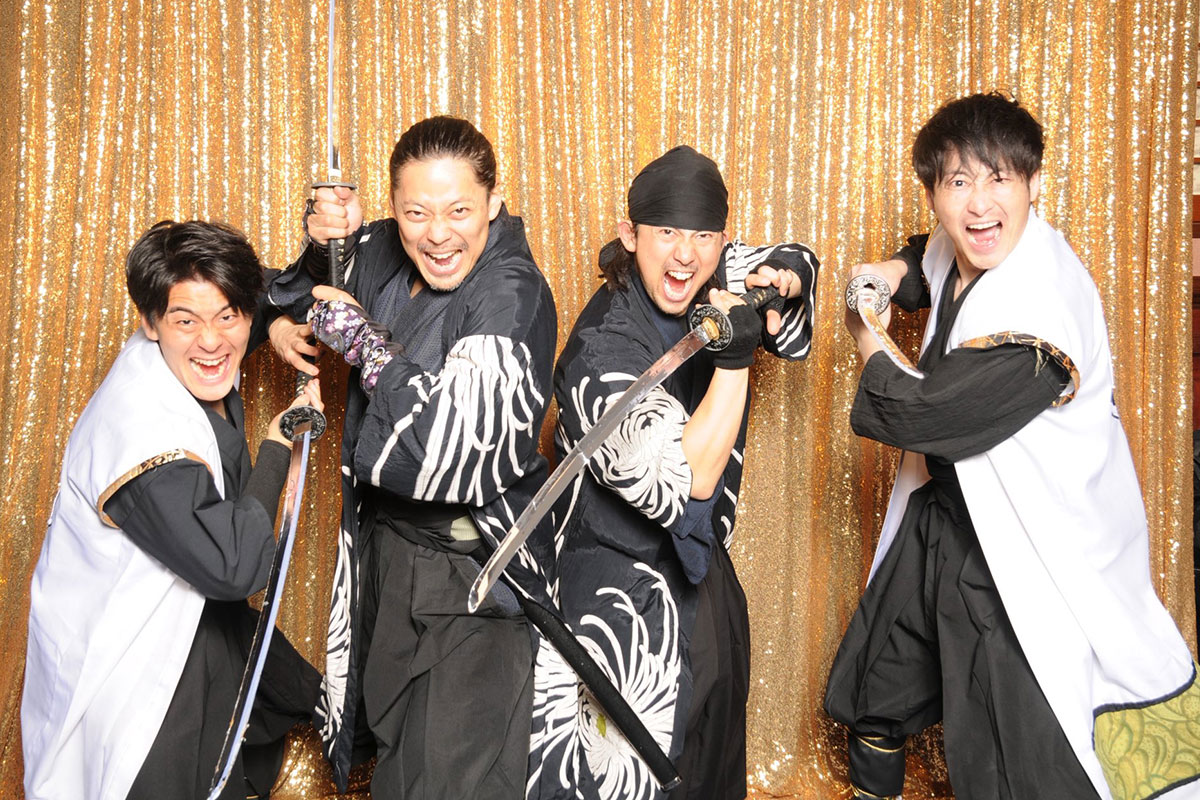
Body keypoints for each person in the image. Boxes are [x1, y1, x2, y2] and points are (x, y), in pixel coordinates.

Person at [824, 92, 1200, 800]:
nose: (979, 204)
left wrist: (859, 323)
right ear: (934, 194)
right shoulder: (967, 244)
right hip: (947, 514)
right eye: (958, 182)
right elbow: (927, 259)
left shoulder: (1038, 312)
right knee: (878, 688)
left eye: (999, 178)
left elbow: (913, 415)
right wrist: (890, 274)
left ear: (1032, 182)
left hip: (1026, 548)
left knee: (1017, 757)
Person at [266, 115, 569, 798]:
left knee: (449, 779)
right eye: (416, 213)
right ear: (394, 210)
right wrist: (323, 250)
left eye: (459, 210)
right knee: (399, 763)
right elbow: (293, 291)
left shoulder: (512, 292)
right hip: (389, 554)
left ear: (493, 203)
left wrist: (366, 345)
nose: (437, 234)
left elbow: (458, 447)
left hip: (474, 574)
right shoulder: (383, 249)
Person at [550, 145, 819, 800]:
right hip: (613, 590)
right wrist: (735, 357)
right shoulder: (598, 353)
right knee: (628, 775)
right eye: (666, 231)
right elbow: (690, 477)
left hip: (701, 572)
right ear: (630, 234)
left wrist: (785, 276)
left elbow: (797, 262)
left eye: (702, 236)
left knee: (712, 765)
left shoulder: (717, 270)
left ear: (721, 241)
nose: (684, 255)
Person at [22, 220, 323, 800]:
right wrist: (278, 445)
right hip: (140, 685)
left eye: (229, 317)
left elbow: (258, 295)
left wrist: (279, 324)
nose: (211, 341)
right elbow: (235, 567)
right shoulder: (142, 436)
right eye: (185, 321)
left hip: (196, 645)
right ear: (150, 321)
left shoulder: (194, 347)